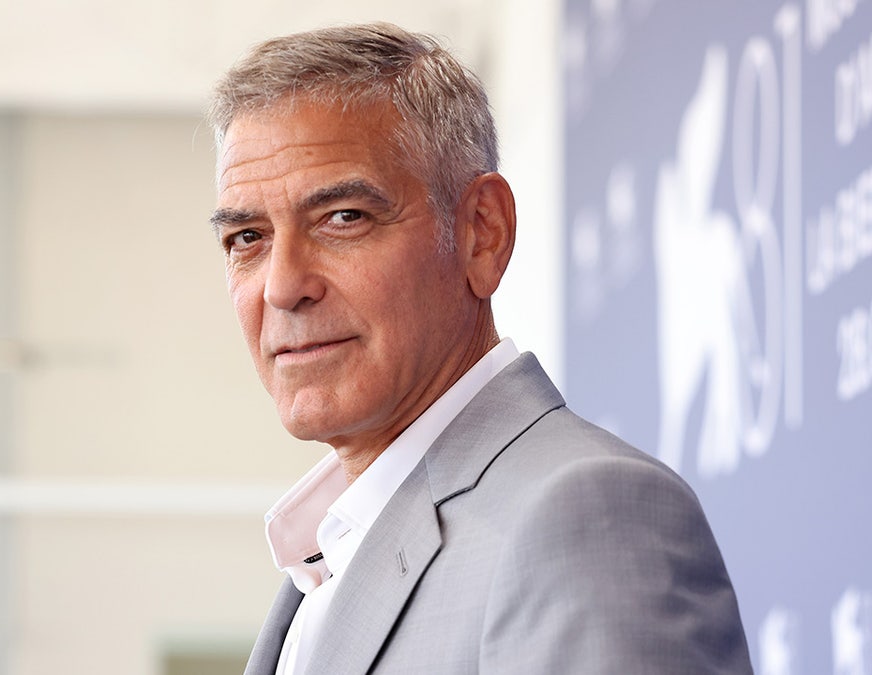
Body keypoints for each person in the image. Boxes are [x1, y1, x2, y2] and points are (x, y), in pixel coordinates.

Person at [206, 22, 752, 675]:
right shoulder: (327, 557)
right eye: (246, 237)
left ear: (481, 234)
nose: (283, 286)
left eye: (343, 217)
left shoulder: (582, 518)